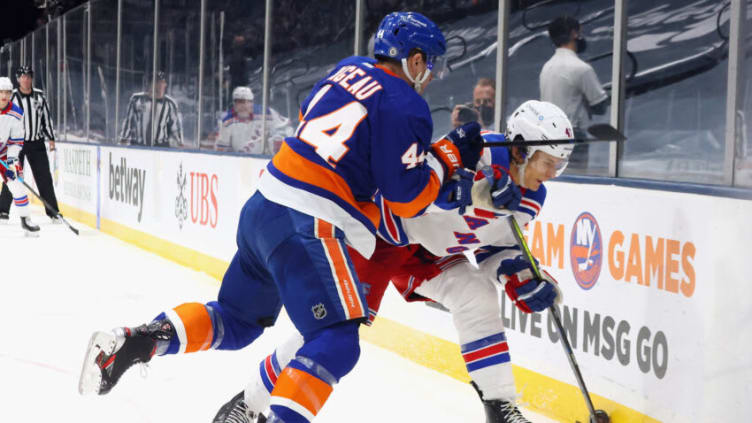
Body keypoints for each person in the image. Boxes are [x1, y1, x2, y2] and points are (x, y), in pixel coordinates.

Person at [80, 12, 483, 423]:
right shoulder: (408, 103)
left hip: (265, 204)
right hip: (308, 220)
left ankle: (143, 340)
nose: (430, 74)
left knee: (235, 320)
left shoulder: (348, 68)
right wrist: (447, 157)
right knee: (337, 339)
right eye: (429, 63)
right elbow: (406, 198)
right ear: (414, 61)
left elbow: (315, 112)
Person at [212, 100, 574, 423]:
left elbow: (494, 246)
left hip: (427, 253)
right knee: (333, 329)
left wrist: (521, 276)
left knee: (476, 294)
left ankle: (500, 407)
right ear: (521, 149)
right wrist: (469, 190)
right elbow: (411, 188)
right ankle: (249, 403)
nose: (552, 174)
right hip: (382, 235)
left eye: (559, 165)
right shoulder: (477, 150)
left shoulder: (532, 198)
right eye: (548, 162)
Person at [540, 15, 608, 170]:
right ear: (573, 34)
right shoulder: (581, 68)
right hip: (573, 136)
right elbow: (600, 106)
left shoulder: (546, 67)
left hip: (548, 135)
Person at [0, 66, 60, 223]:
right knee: (11, 174)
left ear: (31, 78)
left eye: (28, 76)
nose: (25, 79)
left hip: (36, 143)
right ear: (18, 79)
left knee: (44, 178)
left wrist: (51, 138)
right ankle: (3, 210)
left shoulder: (39, 96)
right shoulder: (10, 97)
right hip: (15, 144)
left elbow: (46, 118)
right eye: (22, 77)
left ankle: (53, 212)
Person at [0, 76, 39, 235]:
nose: (4, 96)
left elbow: (16, 142)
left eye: (7, 93)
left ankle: (25, 220)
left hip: (3, 153)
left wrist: (11, 162)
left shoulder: (16, 113)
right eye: (0, 92)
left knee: (17, 184)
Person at [215, 86, 293, 155]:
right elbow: (222, 150)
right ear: (234, 103)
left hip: (266, 160)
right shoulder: (227, 121)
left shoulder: (266, 113)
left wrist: (279, 140)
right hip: (240, 163)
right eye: (240, 102)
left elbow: (286, 126)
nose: (244, 105)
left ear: (252, 102)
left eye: (248, 101)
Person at [119, 71, 184, 148]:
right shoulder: (136, 99)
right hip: (138, 146)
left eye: (162, 83)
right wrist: (123, 139)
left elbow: (176, 128)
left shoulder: (170, 103)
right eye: (157, 82)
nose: (161, 85)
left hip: (161, 147)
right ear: (151, 84)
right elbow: (128, 122)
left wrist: (180, 143)